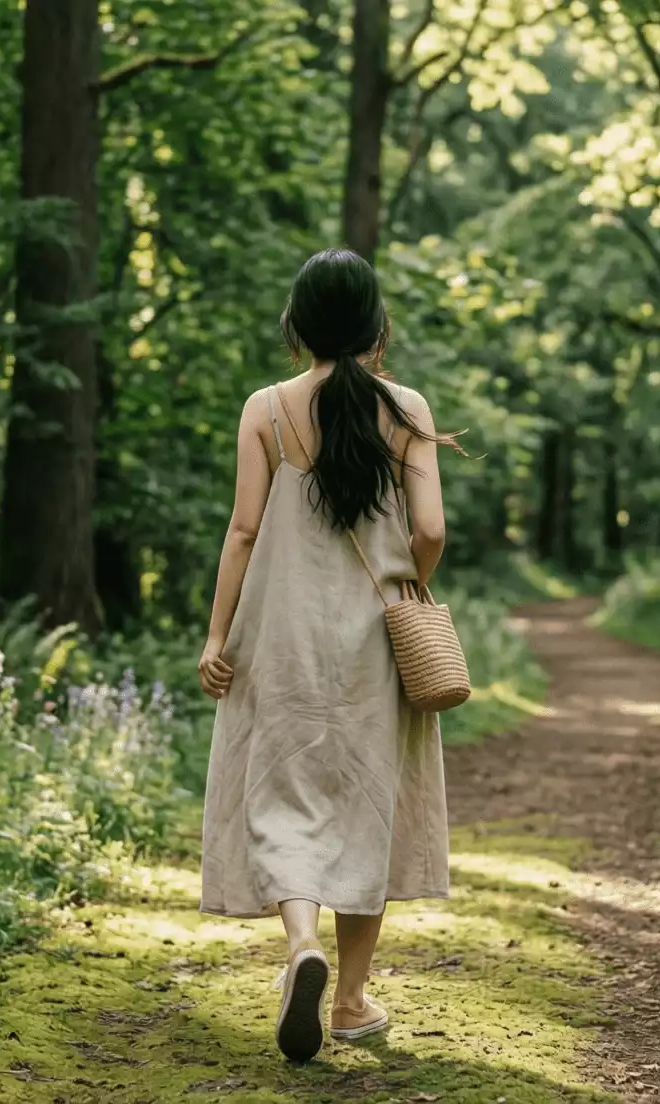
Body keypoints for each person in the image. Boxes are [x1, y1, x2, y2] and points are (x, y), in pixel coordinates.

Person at [196, 248, 452, 1063]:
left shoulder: (266, 409)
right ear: (377, 325)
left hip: (282, 637)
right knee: (367, 801)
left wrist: (214, 636)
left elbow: (241, 532)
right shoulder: (404, 406)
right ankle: (347, 999)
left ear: (297, 325)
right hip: (378, 638)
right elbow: (433, 530)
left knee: (283, 794)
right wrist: (410, 586)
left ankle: (300, 943)